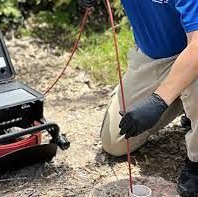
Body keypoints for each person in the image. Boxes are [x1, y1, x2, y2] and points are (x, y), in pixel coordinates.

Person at [79, 0, 198, 196]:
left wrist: (158, 100)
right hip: (153, 58)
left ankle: (196, 161)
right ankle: (179, 100)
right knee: (116, 142)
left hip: (192, 51)